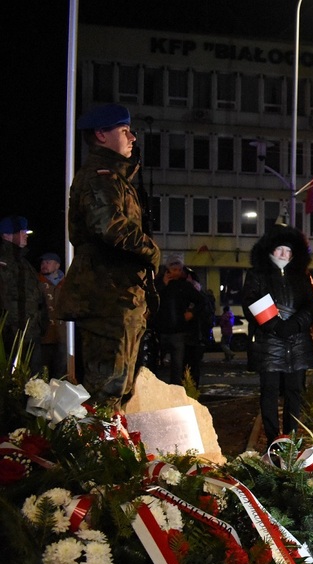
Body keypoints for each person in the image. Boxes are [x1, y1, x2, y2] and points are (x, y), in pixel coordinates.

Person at [54, 103, 160, 408]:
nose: (132, 137)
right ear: (101, 134)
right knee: (105, 391)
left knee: (120, 388)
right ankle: (98, 452)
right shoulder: (101, 177)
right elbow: (108, 226)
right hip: (106, 297)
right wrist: (151, 250)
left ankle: (113, 448)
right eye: (124, 130)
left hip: (119, 296)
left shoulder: (116, 178)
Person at [241, 222, 313, 445]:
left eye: (288, 251)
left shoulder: (302, 276)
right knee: (270, 391)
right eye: (280, 250)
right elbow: (250, 301)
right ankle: (274, 439)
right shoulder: (258, 274)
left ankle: (291, 438)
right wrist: (275, 325)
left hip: (297, 343)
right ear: (270, 250)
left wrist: (295, 325)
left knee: (295, 392)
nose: (284, 255)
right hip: (269, 344)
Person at [1, 215, 47, 374]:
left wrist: (42, 323)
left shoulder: (25, 264)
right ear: (7, 235)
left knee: (34, 383)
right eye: (21, 231)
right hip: (11, 336)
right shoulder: (4, 261)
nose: (26, 235)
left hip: (30, 333)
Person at [153, 255, 202, 386]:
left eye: (178, 269)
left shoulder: (184, 286)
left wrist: (191, 312)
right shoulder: (159, 284)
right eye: (173, 269)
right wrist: (162, 284)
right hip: (160, 332)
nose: (176, 272)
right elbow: (151, 299)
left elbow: (201, 301)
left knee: (177, 368)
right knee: (155, 366)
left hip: (178, 332)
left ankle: (175, 392)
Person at [37, 252, 67, 378]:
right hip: (44, 335)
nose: (44, 265)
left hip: (63, 335)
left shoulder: (66, 283)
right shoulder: (36, 281)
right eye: (43, 262)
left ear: (57, 265)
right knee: (42, 372)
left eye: (48, 262)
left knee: (61, 371)